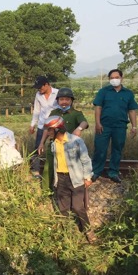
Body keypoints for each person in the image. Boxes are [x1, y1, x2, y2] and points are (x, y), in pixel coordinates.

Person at [44, 115, 96, 243]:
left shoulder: (76, 141)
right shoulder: (53, 144)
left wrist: (88, 177)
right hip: (61, 179)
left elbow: (85, 160)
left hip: (76, 178)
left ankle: (88, 231)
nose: (48, 132)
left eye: (50, 130)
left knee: (78, 207)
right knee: (63, 209)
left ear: (58, 129)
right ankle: (67, 233)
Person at [91, 69, 138, 183]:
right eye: (112, 78)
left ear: (122, 78)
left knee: (117, 149)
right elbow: (98, 107)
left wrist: (134, 126)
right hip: (104, 126)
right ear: (109, 79)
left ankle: (113, 172)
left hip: (120, 126)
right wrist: (98, 123)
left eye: (116, 77)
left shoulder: (128, 93)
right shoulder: (103, 91)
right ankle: (96, 171)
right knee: (100, 149)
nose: (114, 80)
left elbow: (132, 110)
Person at [38, 87, 89, 190]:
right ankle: (46, 190)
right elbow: (47, 129)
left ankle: (70, 190)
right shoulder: (54, 113)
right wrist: (41, 143)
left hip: (69, 148)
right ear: (58, 101)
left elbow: (84, 123)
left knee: (69, 170)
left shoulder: (76, 114)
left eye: (67, 99)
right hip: (54, 146)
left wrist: (79, 129)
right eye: (61, 99)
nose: (64, 102)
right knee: (49, 168)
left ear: (71, 101)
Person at [29, 76, 59, 177]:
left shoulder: (58, 93)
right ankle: (35, 170)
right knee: (38, 147)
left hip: (55, 126)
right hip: (42, 125)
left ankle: (57, 169)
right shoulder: (38, 95)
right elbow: (37, 110)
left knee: (57, 147)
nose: (39, 89)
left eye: (40, 87)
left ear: (46, 84)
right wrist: (33, 124)